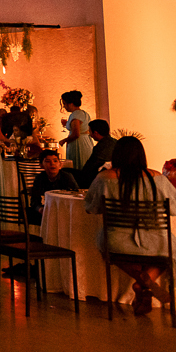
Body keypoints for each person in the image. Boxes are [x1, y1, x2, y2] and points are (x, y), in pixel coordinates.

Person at [84, 136, 176, 315]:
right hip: (157, 242)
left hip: (118, 241)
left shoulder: (104, 177)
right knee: (170, 249)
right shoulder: (157, 178)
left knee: (103, 243)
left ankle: (142, 281)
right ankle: (145, 282)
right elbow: (174, 208)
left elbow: (91, 208)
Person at [28, 149, 80, 224]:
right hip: (48, 210)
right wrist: (40, 209)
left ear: (60, 164)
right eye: (47, 161)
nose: (52, 164)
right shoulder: (40, 178)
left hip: (66, 211)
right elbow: (34, 201)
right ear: (41, 165)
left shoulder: (67, 177)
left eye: (55, 161)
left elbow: (76, 195)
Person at [58, 90, 93, 170]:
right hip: (86, 141)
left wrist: (64, 140)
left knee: (78, 166)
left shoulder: (76, 114)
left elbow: (76, 133)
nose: (64, 107)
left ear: (71, 104)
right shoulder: (84, 113)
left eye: (64, 104)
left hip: (79, 144)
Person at [78, 119, 116, 188]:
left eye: (90, 131)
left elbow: (90, 166)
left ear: (95, 133)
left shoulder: (100, 147)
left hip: (96, 177)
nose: (89, 134)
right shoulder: (115, 142)